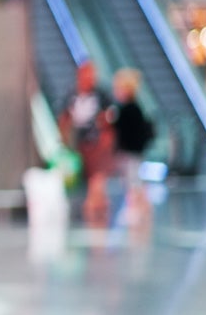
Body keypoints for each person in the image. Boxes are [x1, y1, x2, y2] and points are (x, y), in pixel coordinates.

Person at [60, 62, 114, 225]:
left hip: (96, 144)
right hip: (77, 145)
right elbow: (64, 118)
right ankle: (83, 209)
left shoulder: (101, 96)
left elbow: (109, 118)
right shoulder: (72, 95)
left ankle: (97, 210)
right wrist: (64, 138)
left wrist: (106, 138)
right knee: (79, 179)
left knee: (97, 179)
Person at [111, 69, 154, 225]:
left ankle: (136, 208)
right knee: (132, 180)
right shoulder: (131, 108)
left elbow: (123, 129)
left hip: (131, 152)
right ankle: (138, 207)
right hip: (132, 152)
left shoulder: (129, 109)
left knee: (132, 181)